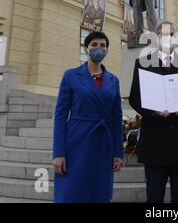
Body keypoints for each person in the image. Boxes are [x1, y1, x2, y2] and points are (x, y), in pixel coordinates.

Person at [129, 21, 178, 203]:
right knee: (154, 196)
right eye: (164, 34)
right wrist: (153, 112)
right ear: (157, 38)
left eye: (172, 34)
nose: (168, 38)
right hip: (154, 142)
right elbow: (135, 98)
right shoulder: (143, 62)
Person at [52, 31, 124, 203]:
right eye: (94, 45)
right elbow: (61, 115)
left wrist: (118, 152)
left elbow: (116, 117)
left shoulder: (113, 80)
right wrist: (59, 152)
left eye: (102, 46)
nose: (98, 48)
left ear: (107, 50)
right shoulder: (70, 76)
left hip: (103, 144)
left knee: (99, 193)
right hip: (76, 142)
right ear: (86, 49)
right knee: (71, 192)